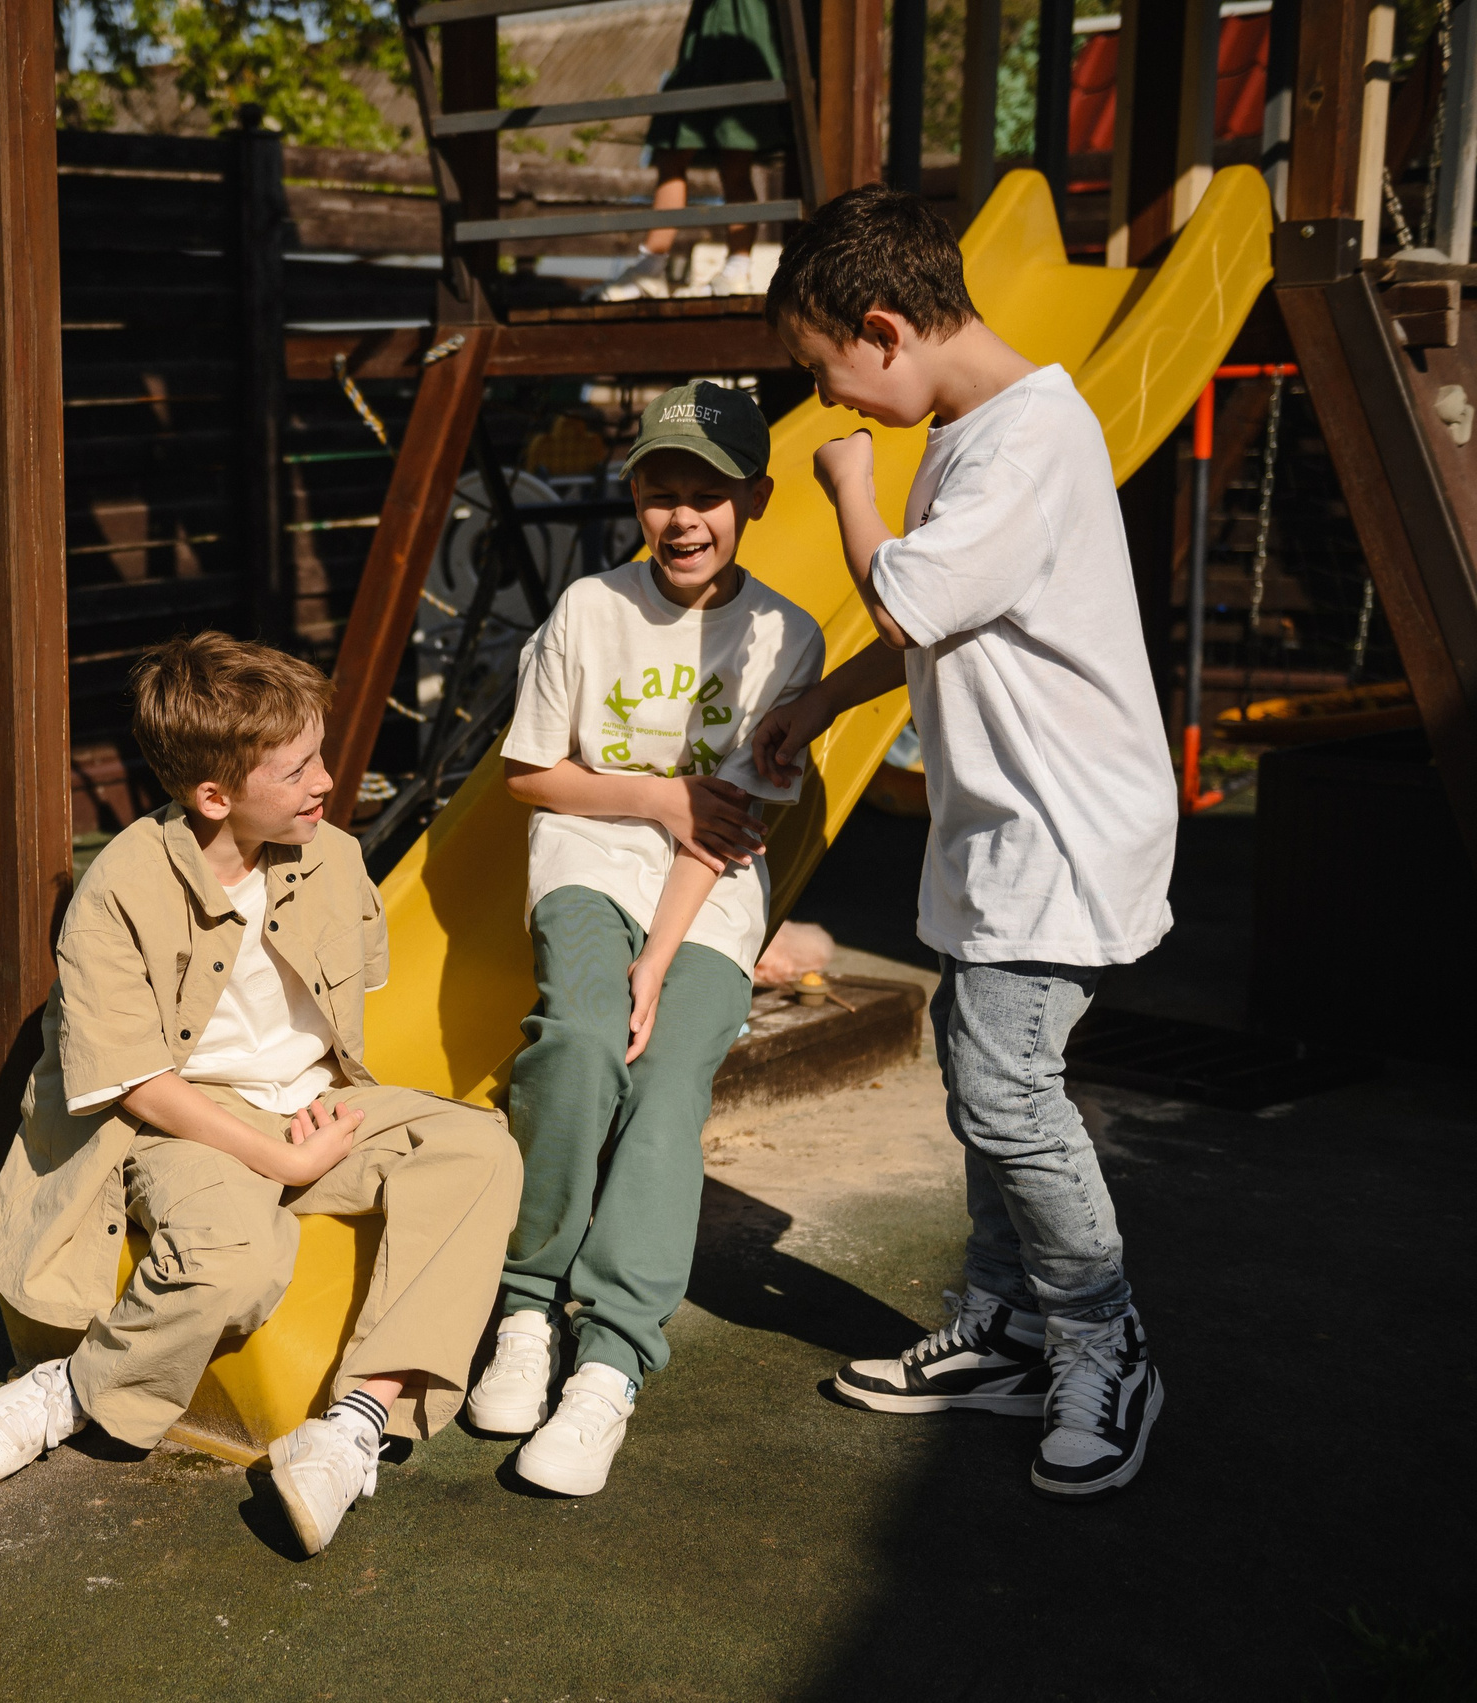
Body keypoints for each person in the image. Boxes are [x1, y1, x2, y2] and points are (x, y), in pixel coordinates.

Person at [753, 185, 1175, 1501]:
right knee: (978, 1070)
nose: (834, 407)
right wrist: (826, 699)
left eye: (826, 374)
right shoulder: (975, 431)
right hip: (1004, 824)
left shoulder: (1022, 441)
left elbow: (909, 587)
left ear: (883, 329)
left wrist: (851, 490)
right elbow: (940, 616)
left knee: (1007, 1092)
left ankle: (1105, 1338)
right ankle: (1003, 1322)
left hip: (1062, 827)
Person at [0, 632, 522, 1554]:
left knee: (479, 1148)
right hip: (188, 1121)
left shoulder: (330, 853)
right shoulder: (122, 890)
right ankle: (78, 1389)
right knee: (236, 1258)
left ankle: (353, 1428)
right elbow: (140, 1086)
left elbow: (346, 1021)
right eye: (296, 771)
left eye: (320, 755)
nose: (325, 781)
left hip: (312, 1100)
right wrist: (279, 1158)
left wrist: (319, 1125)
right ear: (215, 796)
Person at [467, 381, 825, 1494]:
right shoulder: (588, 610)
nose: (682, 519)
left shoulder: (786, 637)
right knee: (578, 1038)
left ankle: (611, 1358)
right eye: (660, 493)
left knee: (667, 1074)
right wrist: (663, 798)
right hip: (586, 866)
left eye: (707, 496)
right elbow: (531, 772)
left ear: (752, 499)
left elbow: (732, 830)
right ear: (634, 499)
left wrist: (660, 960)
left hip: (708, 900)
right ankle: (528, 1308)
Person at [610, 0, 793, 298]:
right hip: (705, 37)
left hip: (744, 33)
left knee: (735, 157)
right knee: (672, 148)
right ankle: (651, 265)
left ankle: (736, 267)